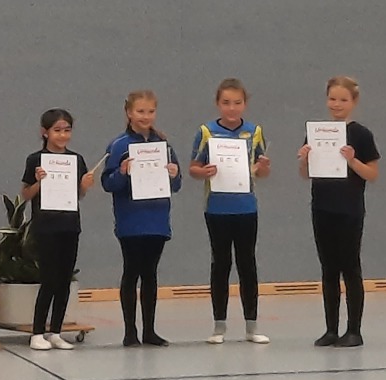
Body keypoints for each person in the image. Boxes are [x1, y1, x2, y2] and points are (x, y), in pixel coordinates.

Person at [297, 75, 381, 347]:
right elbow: (306, 174)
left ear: (353, 102)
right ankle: (331, 329)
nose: (336, 104)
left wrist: (352, 160)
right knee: (328, 269)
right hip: (322, 207)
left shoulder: (361, 134)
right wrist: (305, 159)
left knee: (350, 268)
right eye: (332, 98)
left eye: (343, 99)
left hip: (349, 210)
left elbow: (372, 174)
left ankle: (354, 330)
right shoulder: (318, 133)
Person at [187, 79, 271, 344]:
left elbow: (261, 171)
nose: (231, 108)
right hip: (217, 209)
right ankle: (219, 327)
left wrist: (263, 168)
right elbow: (193, 168)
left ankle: (252, 327)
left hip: (246, 208)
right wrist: (204, 172)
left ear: (245, 104)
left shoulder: (254, 132)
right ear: (217, 104)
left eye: (237, 103)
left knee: (247, 265)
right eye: (226, 103)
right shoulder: (206, 132)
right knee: (221, 265)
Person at [99, 89, 182, 346]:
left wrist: (174, 174)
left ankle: (149, 331)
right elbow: (107, 183)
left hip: (157, 219)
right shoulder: (119, 145)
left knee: (150, 274)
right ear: (129, 113)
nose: (146, 116)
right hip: (131, 220)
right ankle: (130, 332)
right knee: (132, 271)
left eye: (150, 111)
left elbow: (176, 185)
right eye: (140, 111)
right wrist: (122, 173)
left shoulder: (164, 145)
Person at [18, 108, 96, 350]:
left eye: (67, 130)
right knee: (49, 280)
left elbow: (78, 195)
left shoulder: (76, 160)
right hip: (46, 226)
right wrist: (39, 182)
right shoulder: (35, 159)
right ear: (45, 132)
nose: (63, 135)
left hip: (70, 225)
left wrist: (85, 186)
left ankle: (56, 332)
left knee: (64, 281)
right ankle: (37, 332)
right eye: (57, 130)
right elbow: (26, 194)